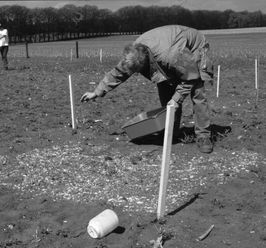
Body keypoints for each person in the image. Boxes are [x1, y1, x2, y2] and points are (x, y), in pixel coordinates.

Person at [80, 25, 214, 153]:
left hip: (194, 46)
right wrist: (96, 92)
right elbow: (118, 73)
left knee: (197, 91)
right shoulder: (133, 52)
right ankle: (170, 132)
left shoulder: (171, 55)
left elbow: (190, 77)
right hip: (167, 50)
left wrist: (176, 99)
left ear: (144, 63)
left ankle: (203, 136)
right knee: (165, 90)